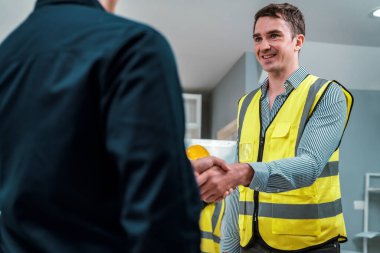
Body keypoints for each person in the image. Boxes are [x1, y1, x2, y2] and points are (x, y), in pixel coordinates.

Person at [0, 0, 201, 252]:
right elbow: (162, 215)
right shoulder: (134, 46)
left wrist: (182, 169)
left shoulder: (6, 56)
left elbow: (43, 175)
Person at [193, 3, 353, 253]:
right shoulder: (246, 104)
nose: (263, 46)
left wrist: (241, 172)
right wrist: (230, 249)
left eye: (274, 35)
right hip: (252, 245)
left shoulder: (326, 94)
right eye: (258, 38)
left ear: (298, 41)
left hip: (309, 245)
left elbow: (309, 165)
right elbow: (237, 191)